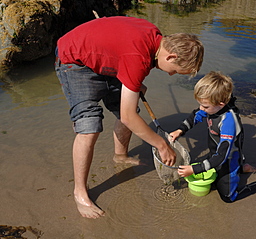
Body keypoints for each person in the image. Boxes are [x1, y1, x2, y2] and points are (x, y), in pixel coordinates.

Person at [55, 16, 204, 218]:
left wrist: (133, 79)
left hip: (104, 59)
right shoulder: (138, 58)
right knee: (90, 127)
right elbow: (128, 117)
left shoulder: (156, 38)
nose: (170, 75)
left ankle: (120, 156)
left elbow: (123, 52)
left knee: (128, 107)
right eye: (175, 71)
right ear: (171, 56)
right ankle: (80, 193)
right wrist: (162, 145)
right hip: (74, 61)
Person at [170, 71, 256, 203]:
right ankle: (242, 168)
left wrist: (194, 169)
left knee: (228, 197)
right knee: (208, 178)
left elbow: (222, 156)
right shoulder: (213, 107)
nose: (201, 108)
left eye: (205, 106)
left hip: (227, 159)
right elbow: (196, 115)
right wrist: (180, 130)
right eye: (200, 104)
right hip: (215, 154)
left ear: (221, 104)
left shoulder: (228, 121)